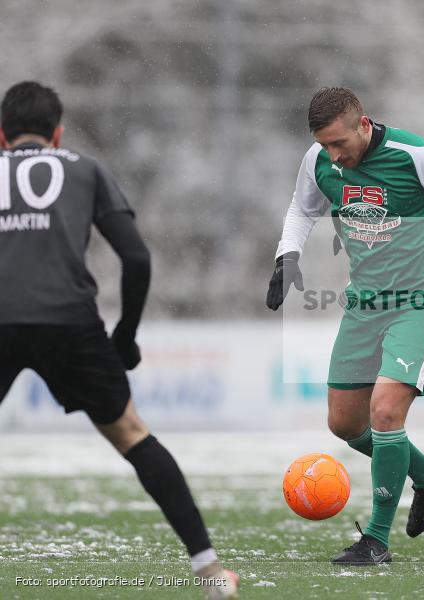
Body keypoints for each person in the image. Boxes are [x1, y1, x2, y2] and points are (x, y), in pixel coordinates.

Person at [0, 81, 238, 599]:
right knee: (131, 435)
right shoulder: (84, 169)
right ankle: (211, 573)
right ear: (57, 132)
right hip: (69, 321)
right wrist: (124, 336)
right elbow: (137, 258)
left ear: (2, 137)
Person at [267, 87, 424, 565]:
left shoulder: (420, 156)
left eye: (338, 144)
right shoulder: (318, 160)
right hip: (363, 303)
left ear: (363, 125)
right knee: (344, 422)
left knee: (386, 412)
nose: (332, 155)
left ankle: (376, 540)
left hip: (421, 301)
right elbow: (301, 208)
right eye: (324, 145)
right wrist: (286, 255)